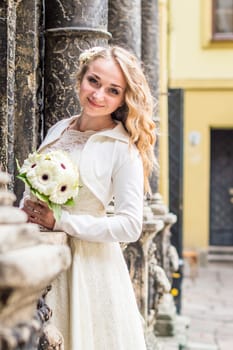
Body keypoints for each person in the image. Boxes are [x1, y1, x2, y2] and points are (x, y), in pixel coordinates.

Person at [21, 45, 157, 350]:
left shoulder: (123, 149)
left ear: (124, 98)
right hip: (38, 258)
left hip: (88, 267)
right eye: (93, 81)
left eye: (113, 90)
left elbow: (129, 226)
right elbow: (32, 188)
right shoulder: (59, 129)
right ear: (81, 77)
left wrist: (61, 222)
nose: (98, 95)